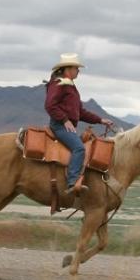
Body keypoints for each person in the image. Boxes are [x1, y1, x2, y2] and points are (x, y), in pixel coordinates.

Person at [44, 53, 114, 195]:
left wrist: (100, 120)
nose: (78, 71)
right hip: (59, 126)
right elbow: (50, 105)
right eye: (76, 68)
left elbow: (80, 112)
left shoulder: (70, 86)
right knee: (79, 148)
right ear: (68, 69)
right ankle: (72, 182)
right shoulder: (59, 83)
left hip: (65, 125)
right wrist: (65, 120)